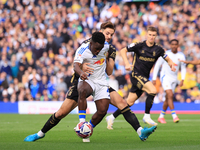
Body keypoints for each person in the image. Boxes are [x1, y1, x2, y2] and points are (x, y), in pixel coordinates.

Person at [24, 22, 156, 143]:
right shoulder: (86, 46)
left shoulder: (110, 49)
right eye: (107, 33)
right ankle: (40, 134)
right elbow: (75, 66)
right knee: (61, 113)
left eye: (111, 34)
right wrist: (82, 69)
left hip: (100, 81)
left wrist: (108, 57)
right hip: (82, 81)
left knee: (120, 104)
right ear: (100, 32)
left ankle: (140, 132)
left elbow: (109, 72)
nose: (109, 36)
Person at [106, 26, 176, 129]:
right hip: (136, 75)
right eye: (150, 35)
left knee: (129, 103)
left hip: (144, 78)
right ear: (146, 35)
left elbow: (167, 58)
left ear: (156, 36)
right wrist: (126, 63)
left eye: (153, 35)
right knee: (152, 90)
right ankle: (147, 116)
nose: (151, 37)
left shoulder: (158, 49)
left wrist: (171, 64)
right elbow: (123, 51)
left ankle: (111, 117)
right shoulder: (139, 45)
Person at [152, 39, 186, 123]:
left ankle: (161, 117)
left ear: (178, 45)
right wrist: (154, 78)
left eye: (175, 44)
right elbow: (157, 65)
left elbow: (183, 68)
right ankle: (174, 116)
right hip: (165, 77)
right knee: (170, 94)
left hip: (174, 79)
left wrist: (182, 79)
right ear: (170, 45)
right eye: (172, 44)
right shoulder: (166, 54)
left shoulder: (181, 56)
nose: (174, 46)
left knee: (168, 98)